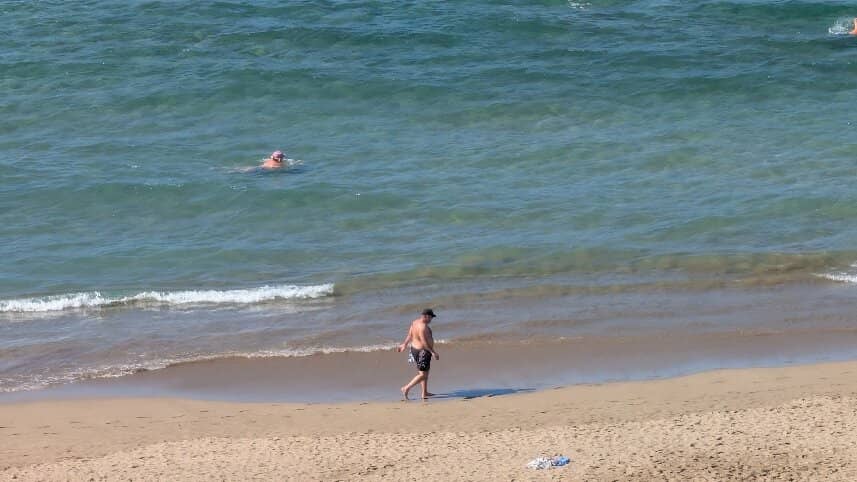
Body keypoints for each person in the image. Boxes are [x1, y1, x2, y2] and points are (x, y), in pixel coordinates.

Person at [397, 308, 439, 400]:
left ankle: (424, 393)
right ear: (426, 316)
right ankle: (406, 388)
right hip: (423, 352)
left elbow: (410, 335)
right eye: (431, 317)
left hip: (414, 349)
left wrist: (404, 344)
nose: (431, 320)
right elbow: (424, 342)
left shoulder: (415, 322)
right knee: (423, 375)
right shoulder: (423, 327)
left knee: (424, 372)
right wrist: (433, 352)